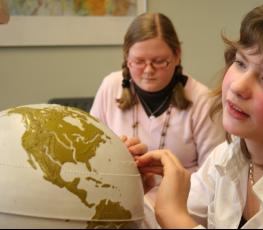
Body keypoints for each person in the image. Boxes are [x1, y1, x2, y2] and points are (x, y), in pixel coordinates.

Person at [135, 0, 263, 228]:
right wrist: (128, 192)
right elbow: (163, 219)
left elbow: (174, 217)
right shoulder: (229, 155)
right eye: (240, 63)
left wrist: (174, 217)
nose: (237, 87)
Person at [90, 12, 226, 203]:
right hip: (119, 202)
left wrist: (163, 179)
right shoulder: (110, 86)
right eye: (138, 61)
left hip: (183, 206)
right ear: (127, 57)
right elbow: (90, 157)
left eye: (159, 61)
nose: (148, 70)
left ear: (177, 55)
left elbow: (215, 178)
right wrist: (116, 154)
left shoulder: (203, 100)